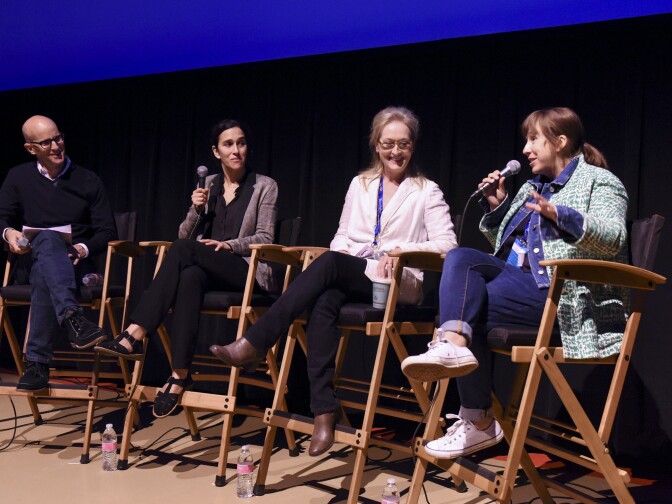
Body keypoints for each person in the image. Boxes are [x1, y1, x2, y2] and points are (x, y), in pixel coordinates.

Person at [209, 106, 458, 456]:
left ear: (413, 147)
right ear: (376, 145)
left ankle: (256, 341)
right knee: (325, 300)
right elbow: (341, 238)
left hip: (396, 283)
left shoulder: (426, 191)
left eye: (403, 144)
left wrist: (401, 250)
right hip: (356, 273)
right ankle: (324, 412)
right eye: (388, 144)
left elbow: (449, 246)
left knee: (328, 267)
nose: (395, 152)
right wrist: (352, 256)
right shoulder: (360, 184)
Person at [401, 107, 629, 459]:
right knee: (461, 262)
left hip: (562, 297)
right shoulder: (532, 188)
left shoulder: (600, 182)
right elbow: (504, 250)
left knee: (463, 307)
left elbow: (614, 238)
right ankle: (460, 365)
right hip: (522, 287)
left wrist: (559, 214)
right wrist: (499, 205)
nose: (525, 148)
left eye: (533, 139)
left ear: (561, 141)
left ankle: (477, 419)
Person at [95, 119, 279, 418]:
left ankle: (135, 331)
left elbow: (265, 237)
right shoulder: (209, 185)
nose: (236, 150)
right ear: (216, 152)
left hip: (247, 272)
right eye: (228, 144)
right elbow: (185, 235)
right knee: (190, 275)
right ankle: (180, 374)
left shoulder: (264, 186)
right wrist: (195, 210)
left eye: (241, 143)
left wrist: (230, 245)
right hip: (209, 272)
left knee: (181, 251)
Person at [0, 115, 117, 391]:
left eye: (58, 138)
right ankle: (72, 318)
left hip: (77, 265)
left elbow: (107, 232)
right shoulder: (18, 177)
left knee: (48, 251)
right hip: (31, 261)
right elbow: (1, 218)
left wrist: (82, 248)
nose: (56, 146)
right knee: (47, 240)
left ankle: (37, 364)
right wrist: (9, 234)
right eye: (46, 142)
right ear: (31, 148)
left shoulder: (88, 180)